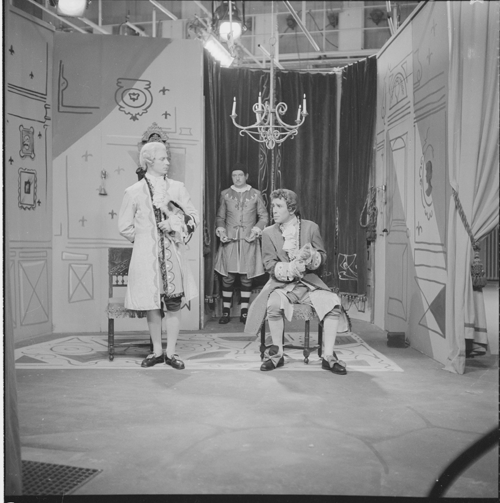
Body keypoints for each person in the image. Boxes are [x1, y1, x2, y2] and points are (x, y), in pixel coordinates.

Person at [244, 189, 349, 374]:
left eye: (279, 206)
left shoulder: (311, 228)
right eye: (273, 206)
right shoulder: (268, 233)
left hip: (309, 284)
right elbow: (269, 264)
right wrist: (291, 268)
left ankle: (328, 357)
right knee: (273, 305)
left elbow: (323, 257)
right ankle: (277, 355)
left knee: (333, 303)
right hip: (282, 285)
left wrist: (312, 257)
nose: (274, 210)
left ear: (291, 209)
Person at [118, 141, 199, 369]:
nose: (167, 162)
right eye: (163, 158)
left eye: (167, 158)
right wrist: (146, 239)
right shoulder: (133, 192)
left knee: (173, 303)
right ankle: (156, 351)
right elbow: (124, 226)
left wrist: (174, 226)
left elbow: (193, 217)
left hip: (173, 255)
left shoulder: (177, 188)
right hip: (147, 258)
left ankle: (171, 353)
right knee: (152, 304)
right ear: (149, 161)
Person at [214, 164, 268, 324]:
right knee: (228, 277)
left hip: (248, 240)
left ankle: (244, 313)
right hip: (230, 241)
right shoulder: (225, 194)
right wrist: (222, 232)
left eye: (240, 175)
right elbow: (220, 217)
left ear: (246, 176)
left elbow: (264, 217)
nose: (237, 178)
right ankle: (226, 312)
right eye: (234, 175)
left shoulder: (255, 194)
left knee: (246, 277)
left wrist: (256, 231)